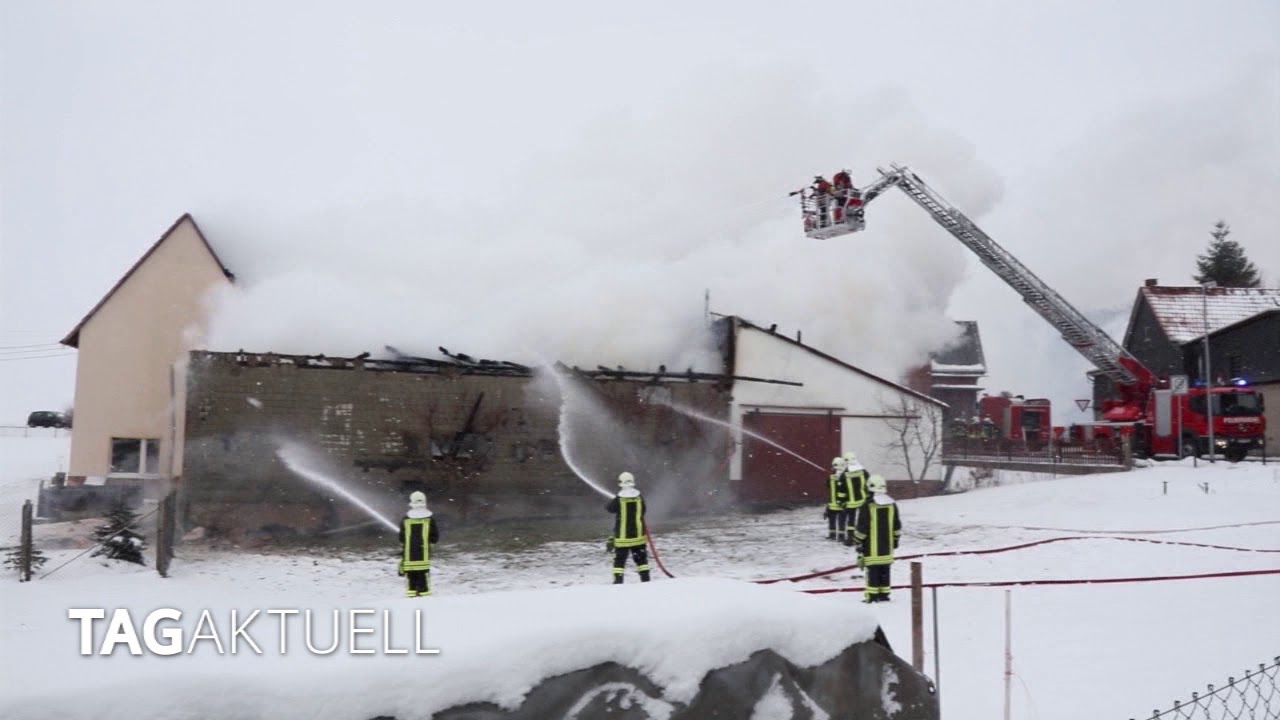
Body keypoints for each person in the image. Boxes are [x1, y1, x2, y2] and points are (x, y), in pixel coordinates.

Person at [854, 474, 902, 603]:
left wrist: (857, 541)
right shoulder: (892, 504)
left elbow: (862, 527)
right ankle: (884, 594)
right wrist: (895, 540)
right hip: (887, 548)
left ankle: (872, 595)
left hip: (871, 548)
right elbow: (897, 525)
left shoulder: (867, 505)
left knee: (873, 571)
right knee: (885, 570)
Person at [607, 471, 650, 584]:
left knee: (619, 562)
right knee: (642, 561)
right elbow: (643, 511)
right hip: (638, 536)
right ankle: (646, 581)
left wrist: (614, 500)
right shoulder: (639, 497)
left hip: (623, 538)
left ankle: (618, 582)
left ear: (621, 483)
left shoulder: (619, 499)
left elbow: (609, 509)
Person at [398, 491, 439, 598]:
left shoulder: (406, 519)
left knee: (411, 576)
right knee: (423, 575)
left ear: (411, 502)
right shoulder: (429, 519)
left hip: (409, 555)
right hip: (423, 553)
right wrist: (431, 543)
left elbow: (401, 537)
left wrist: (404, 546)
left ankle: (411, 593)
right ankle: (424, 592)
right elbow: (434, 536)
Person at [841, 451, 869, 547]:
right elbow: (868, 483)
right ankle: (863, 537)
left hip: (851, 502)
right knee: (863, 520)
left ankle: (850, 539)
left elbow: (842, 490)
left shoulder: (844, 474)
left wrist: (842, 502)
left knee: (851, 521)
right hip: (863, 500)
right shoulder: (863, 471)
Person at [825, 456, 852, 541]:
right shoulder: (845, 476)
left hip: (832, 503)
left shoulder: (831, 476)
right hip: (841, 504)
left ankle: (832, 535)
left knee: (832, 521)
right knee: (841, 522)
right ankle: (841, 537)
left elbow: (828, 486)